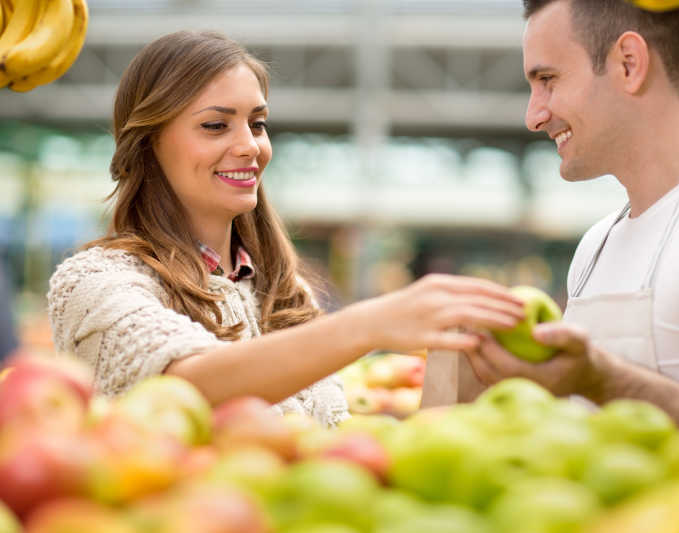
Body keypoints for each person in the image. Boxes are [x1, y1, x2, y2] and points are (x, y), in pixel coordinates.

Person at [47, 30, 524, 427]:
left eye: (256, 124)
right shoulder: (94, 282)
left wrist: (459, 357)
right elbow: (182, 385)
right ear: (148, 143)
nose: (249, 147)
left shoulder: (285, 293)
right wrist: (368, 323)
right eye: (216, 126)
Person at [463, 0, 679, 427]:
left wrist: (608, 383)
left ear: (628, 63)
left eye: (548, 79)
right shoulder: (596, 245)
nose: (534, 116)